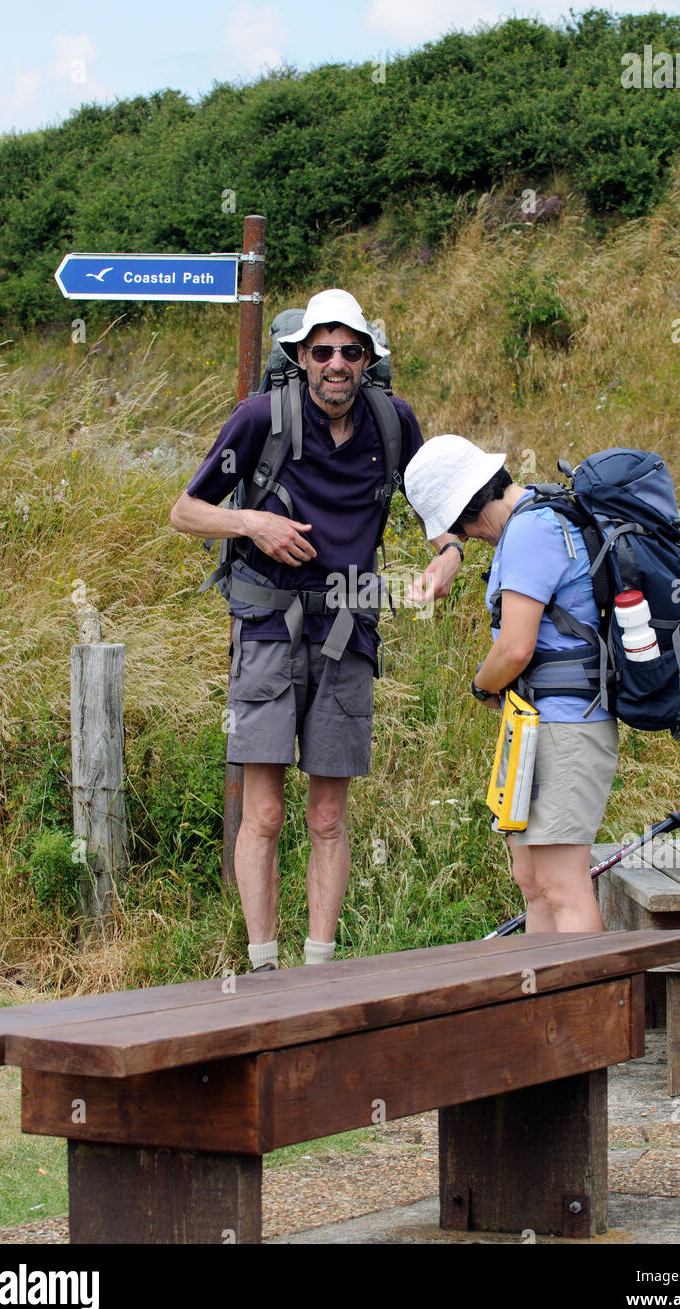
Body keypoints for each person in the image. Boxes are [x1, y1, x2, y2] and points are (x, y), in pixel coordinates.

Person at [170, 289, 463, 969]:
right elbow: (186, 511)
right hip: (269, 628)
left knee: (328, 817)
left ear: (367, 360)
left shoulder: (392, 424)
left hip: (347, 633)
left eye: (349, 351)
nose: (336, 363)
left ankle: (320, 973)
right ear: (300, 356)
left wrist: (447, 555)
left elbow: (438, 509)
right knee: (264, 814)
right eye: (322, 350)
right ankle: (265, 969)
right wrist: (253, 523)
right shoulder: (259, 419)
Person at [404, 435, 619, 933]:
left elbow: (516, 648)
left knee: (563, 885)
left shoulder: (529, 531)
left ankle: (585, 1010)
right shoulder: (540, 518)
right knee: (532, 880)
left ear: (463, 512)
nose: (469, 538)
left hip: (565, 725)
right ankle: (543, 1004)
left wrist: (481, 686)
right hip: (533, 723)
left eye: (458, 529)